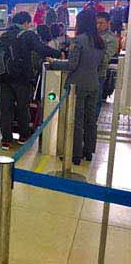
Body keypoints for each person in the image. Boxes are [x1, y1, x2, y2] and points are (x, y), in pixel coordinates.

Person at [0, 12, 61, 150]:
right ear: (26, 22)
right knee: (22, 107)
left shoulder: (4, 35)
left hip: (4, 77)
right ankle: (23, 136)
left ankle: (6, 140)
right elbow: (41, 49)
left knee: (6, 109)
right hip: (22, 78)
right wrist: (58, 53)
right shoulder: (27, 35)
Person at [50, 9, 105, 165]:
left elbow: (72, 65)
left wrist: (54, 62)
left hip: (77, 86)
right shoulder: (100, 42)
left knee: (76, 120)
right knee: (90, 119)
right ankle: (88, 152)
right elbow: (100, 65)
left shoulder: (78, 41)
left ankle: (75, 154)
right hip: (93, 84)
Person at [94, 12, 119, 122]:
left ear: (108, 23)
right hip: (86, 73)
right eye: (97, 23)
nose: (98, 25)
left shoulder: (112, 39)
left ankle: (92, 124)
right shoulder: (92, 35)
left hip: (99, 74)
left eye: (101, 23)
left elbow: (105, 58)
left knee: (96, 101)